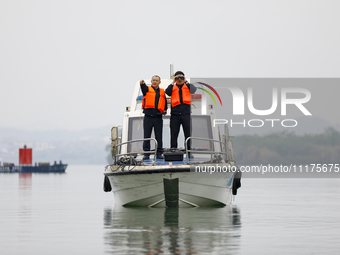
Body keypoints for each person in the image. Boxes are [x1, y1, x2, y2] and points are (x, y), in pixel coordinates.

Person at [165, 71, 196, 157]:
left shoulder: (188, 86)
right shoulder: (172, 87)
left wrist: (186, 81)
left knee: (188, 133)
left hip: (186, 113)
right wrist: (172, 82)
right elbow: (167, 92)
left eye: (181, 78)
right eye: (177, 78)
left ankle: (188, 151)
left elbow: (194, 90)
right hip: (175, 114)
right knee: (174, 133)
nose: (179, 79)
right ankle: (173, 150)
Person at [140, 75, 167, 160]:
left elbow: (164, 102)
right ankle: (146, 154)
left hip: (158, 117)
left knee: (159, 136)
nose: (155, 81)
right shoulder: (147, 89)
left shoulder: (162, 92)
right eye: (153, 80)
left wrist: (165, 110)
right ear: (151, 82)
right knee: (147, 136)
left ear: (160, 82)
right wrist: (142, 84)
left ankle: (159, 153)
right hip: (148, 117)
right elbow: (143, 88)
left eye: (157, 80)